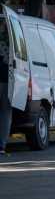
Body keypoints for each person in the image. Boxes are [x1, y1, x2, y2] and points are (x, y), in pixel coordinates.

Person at [0, 21, 11, 156]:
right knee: (5, 113)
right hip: (7, 79)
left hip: (5, 79)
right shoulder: (12, 38)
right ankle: (1, 145)